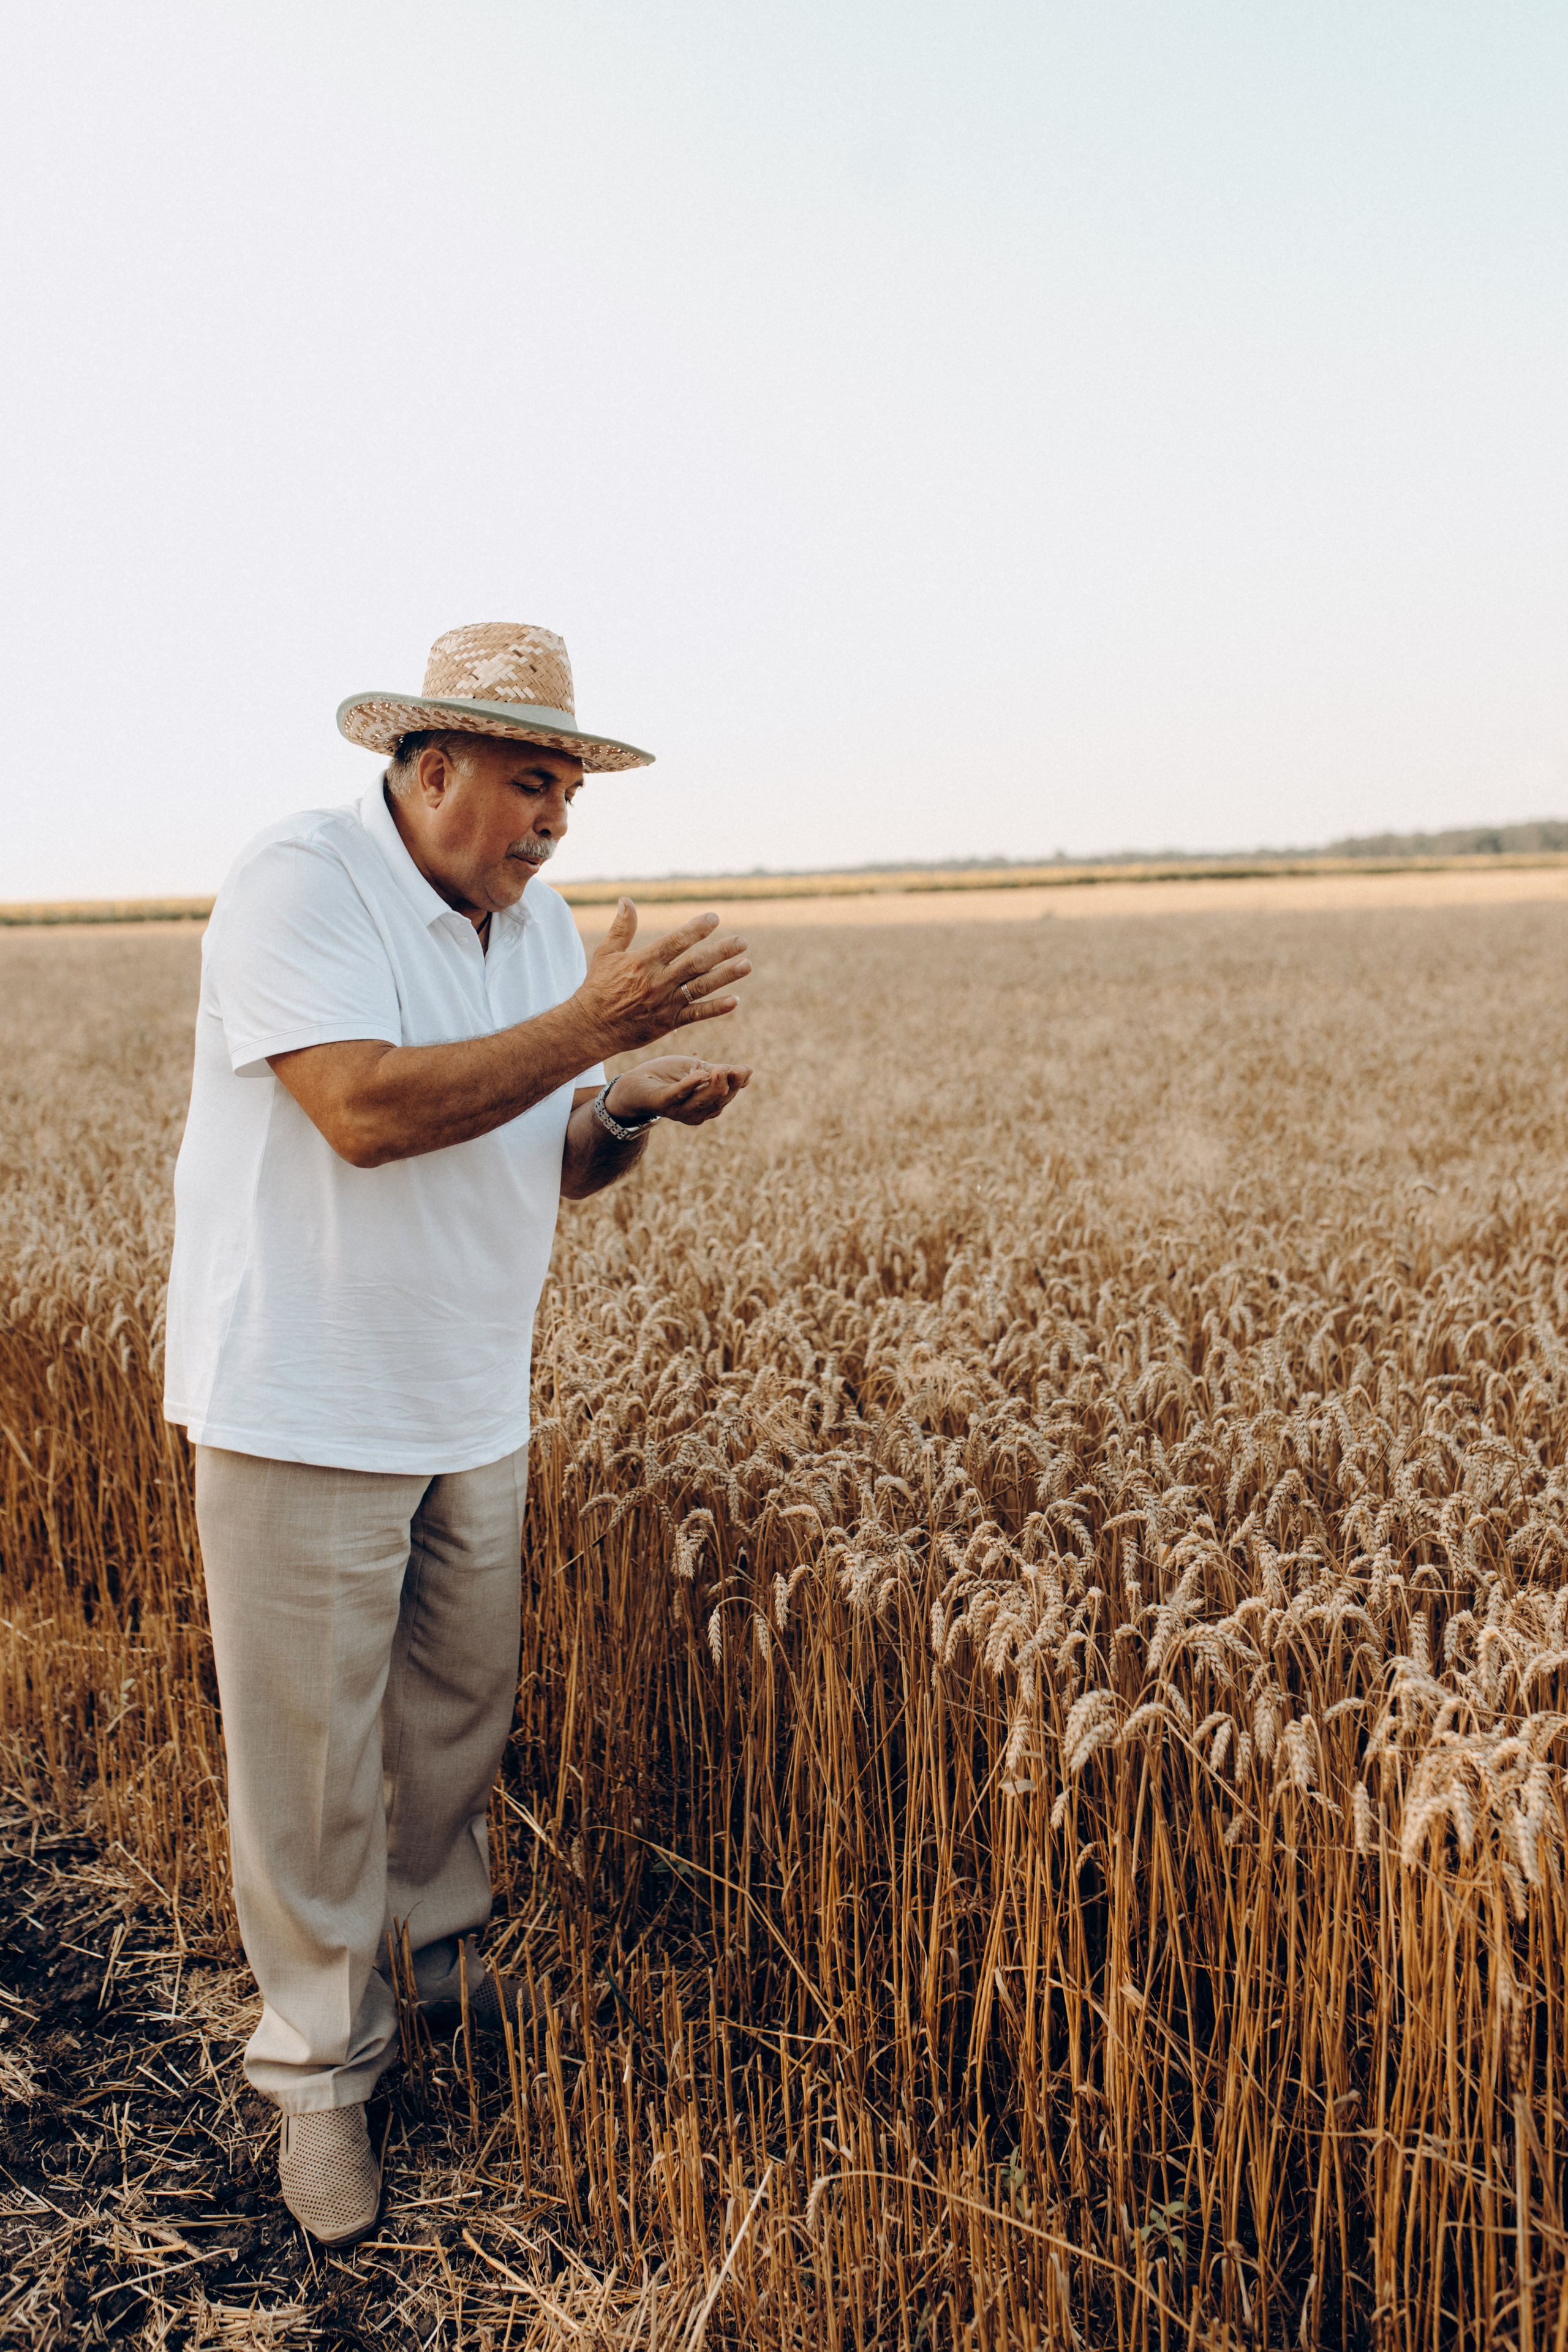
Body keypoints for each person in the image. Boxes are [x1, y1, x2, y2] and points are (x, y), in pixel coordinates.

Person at [163, 622, 752, 2245]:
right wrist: (589, 1031)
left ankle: (443, 1987)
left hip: (468, 1397)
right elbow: (363, 1111)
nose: (556, 824)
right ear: (428, 770)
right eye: (531, 784)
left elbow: (534, 1148)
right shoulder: (300, 883)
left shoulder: (541, 922)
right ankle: (318, 2084)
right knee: (310, 1771)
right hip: (303, 1396)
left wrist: (624, 1108)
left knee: (449, 1731)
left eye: (568, 792)